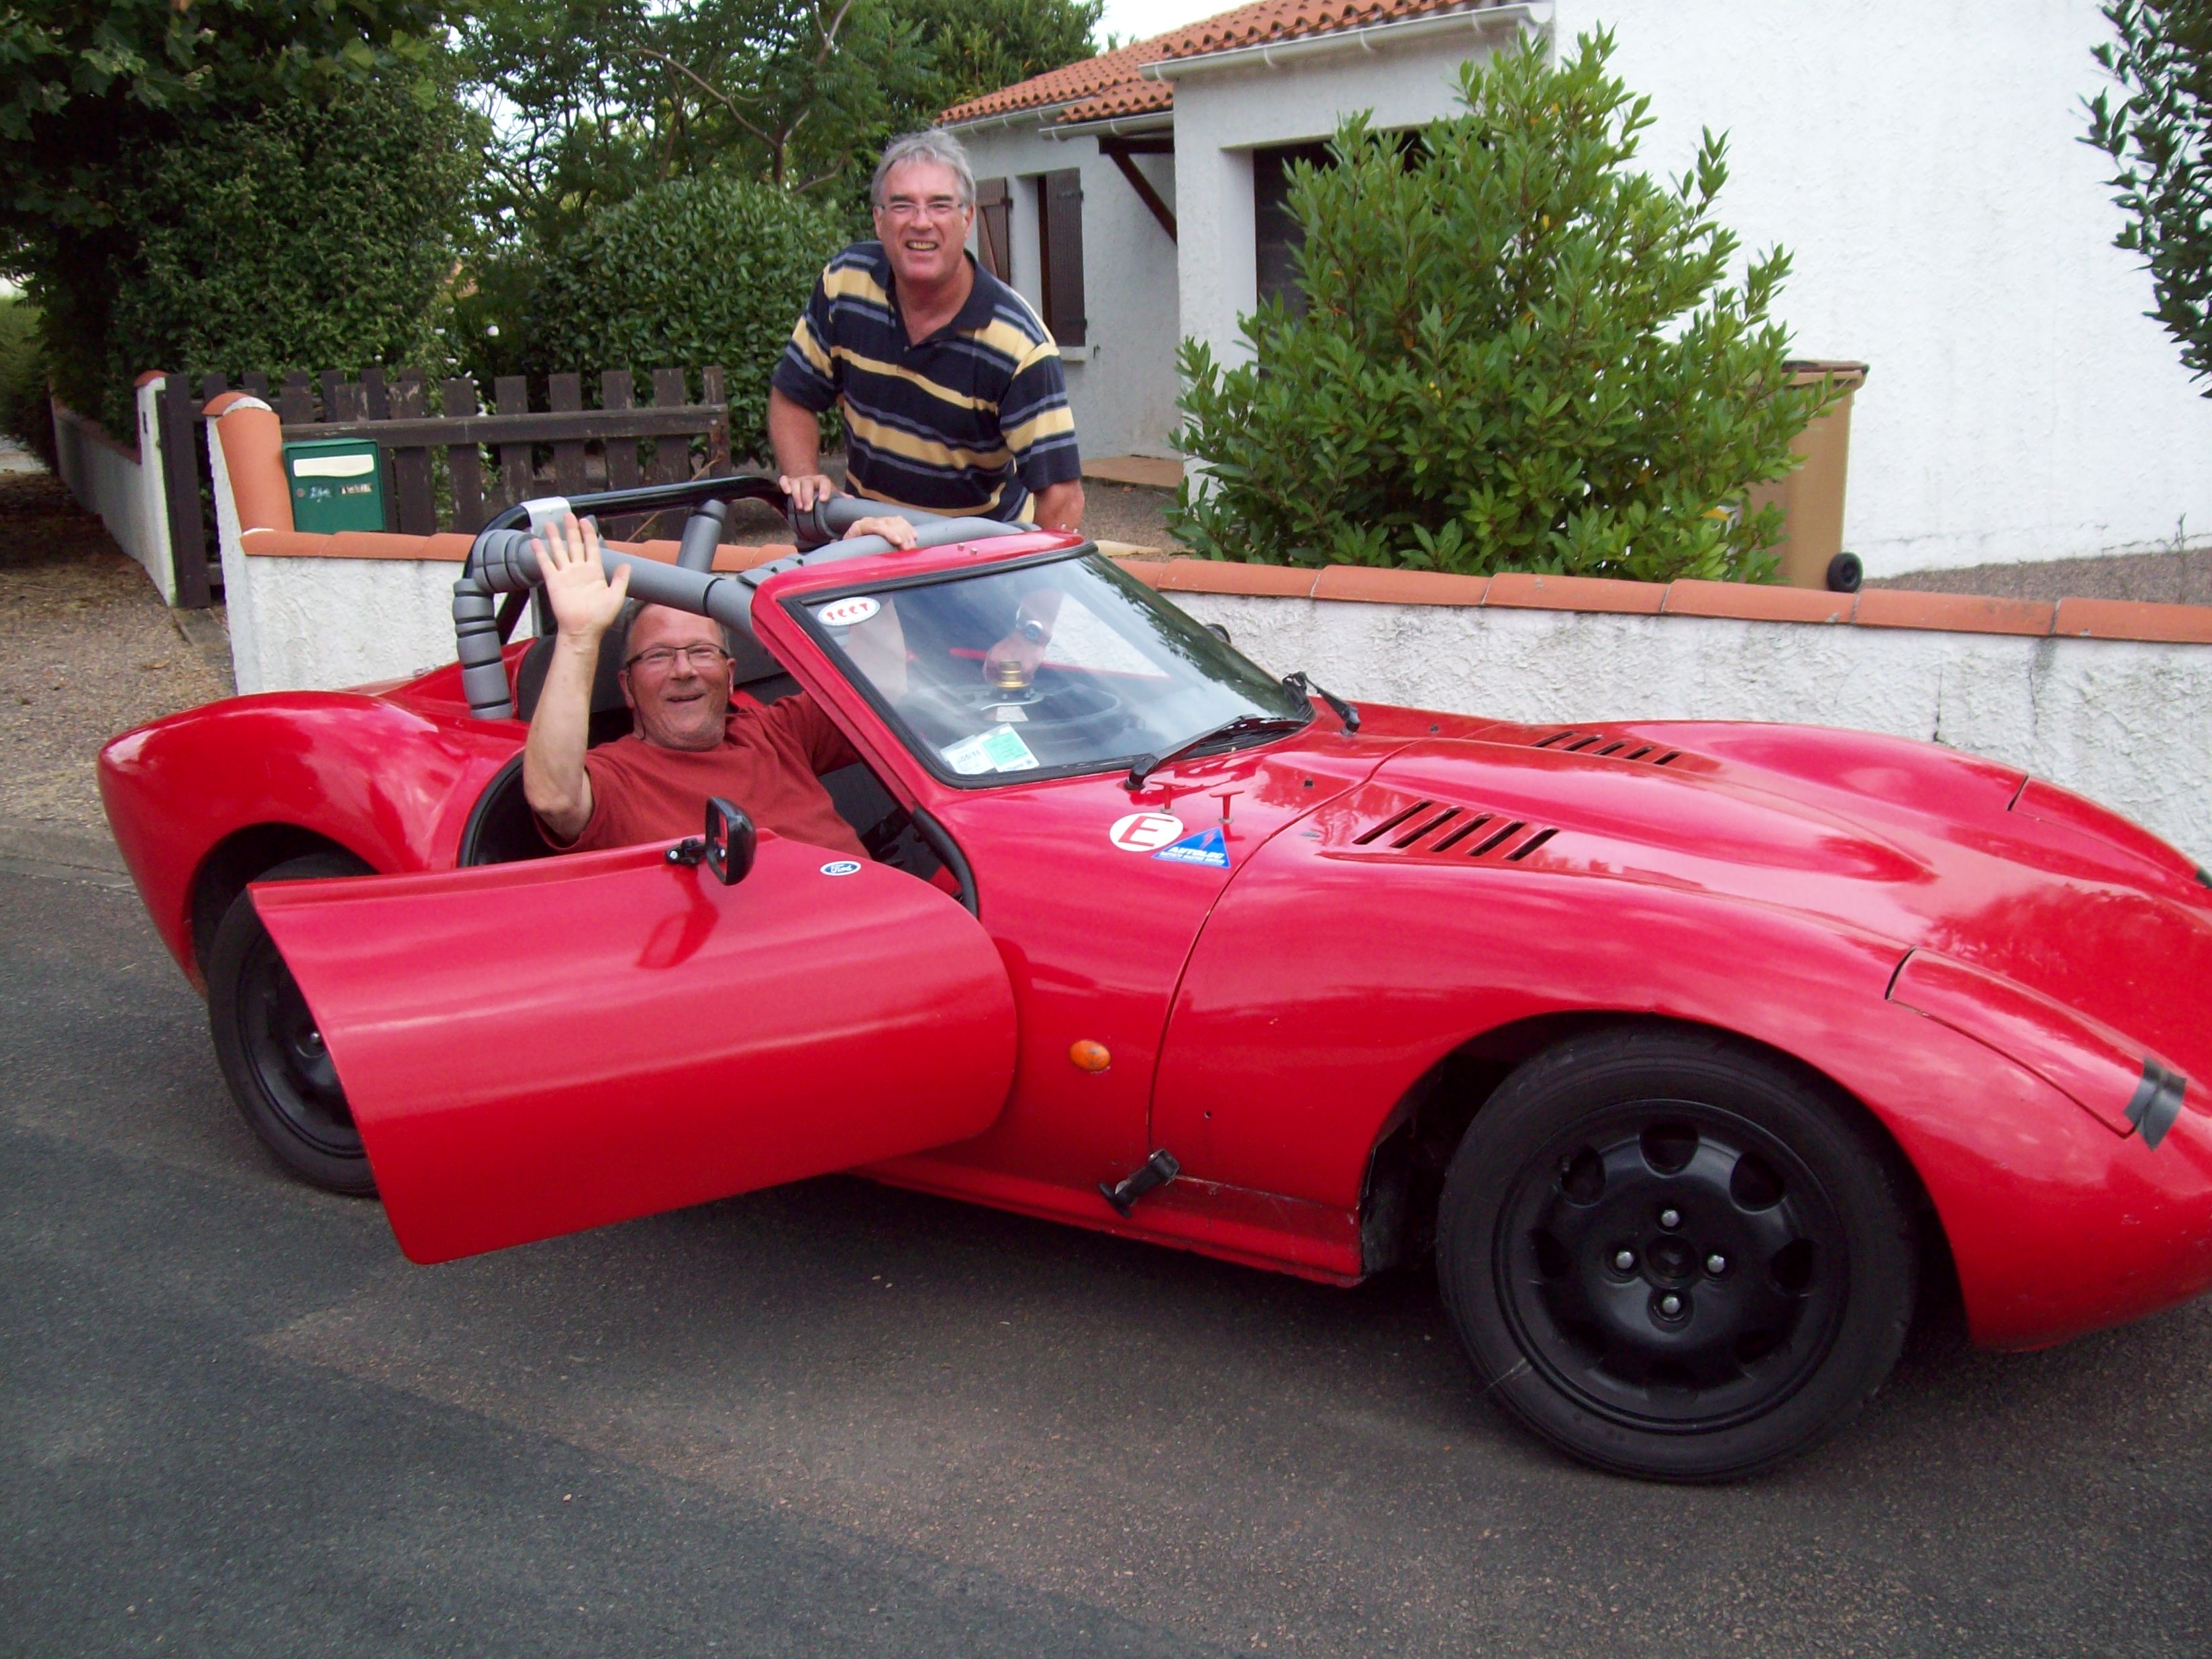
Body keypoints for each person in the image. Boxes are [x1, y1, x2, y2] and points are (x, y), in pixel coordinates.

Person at [522, 511, 914, 857]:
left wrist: (860, 574)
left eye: (701, 652)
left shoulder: (777, 732)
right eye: (658, 656)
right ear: (628, 687)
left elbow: (884, 690)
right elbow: (555, 798)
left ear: (729, 677)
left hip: (881, 910)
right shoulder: (618, 776)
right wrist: (579, 635)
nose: (683, 670)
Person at [768, 129, 1086, 533]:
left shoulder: (1019, 345)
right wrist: (804, 477)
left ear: (967, 219)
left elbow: (1063, 498)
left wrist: (1017, 572)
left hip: (974, 555)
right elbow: (792, 396)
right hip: (869, 540)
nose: (921, 222)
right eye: (902, 205)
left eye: (940, 205)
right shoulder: (844, 286)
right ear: (879, 220)